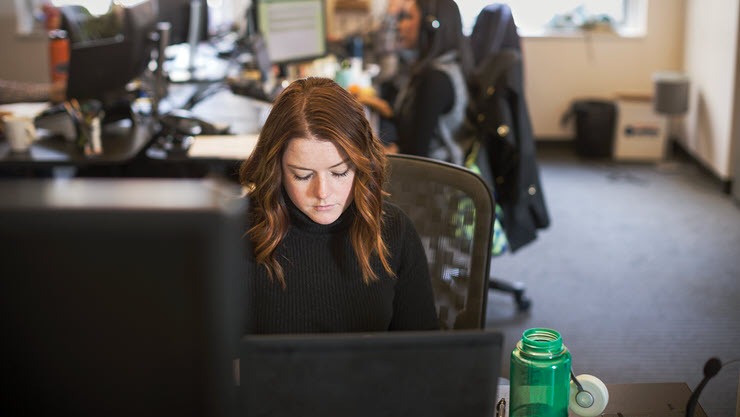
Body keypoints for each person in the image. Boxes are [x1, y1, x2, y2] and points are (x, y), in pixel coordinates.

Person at [239, 77, 439, 334]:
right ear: (276, 169)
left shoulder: (393, 230)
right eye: (302, 175)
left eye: (340, 172)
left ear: (361, 165)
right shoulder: (238, 233)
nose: (322, 193)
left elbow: (424, 353)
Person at [375, 0, 474, 164]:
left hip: (435, 180)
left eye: (408, 17)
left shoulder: (436, 79)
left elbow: (414, 154)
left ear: (430, 26)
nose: (400, 25)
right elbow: (407, 122)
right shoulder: (435, 67)